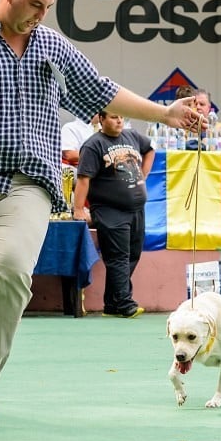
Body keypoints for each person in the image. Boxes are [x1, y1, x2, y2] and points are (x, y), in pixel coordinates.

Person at [0, 0, 204, 422]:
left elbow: (101, 90)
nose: (42, 15)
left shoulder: (52, 46)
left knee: (9, 274)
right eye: (36, 4)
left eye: (48, 7)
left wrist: (163, 113)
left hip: (28, 184)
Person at [72, 110, 154, 318]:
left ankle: (112, 304)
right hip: (109, 209)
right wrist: (79, 208)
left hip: (136, 209)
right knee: (118, 257)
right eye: (114, 117)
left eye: (121, 118)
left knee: (132, 254)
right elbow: (83, 179)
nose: (119, 121)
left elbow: (149, 149)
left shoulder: (132, 135)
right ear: (101, 119)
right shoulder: (93, 144)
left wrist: (144, 173)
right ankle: (125, 303)